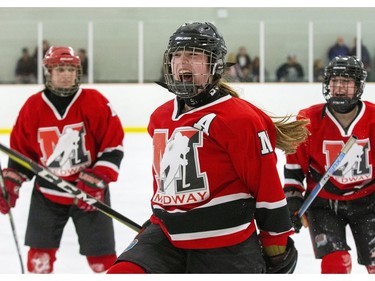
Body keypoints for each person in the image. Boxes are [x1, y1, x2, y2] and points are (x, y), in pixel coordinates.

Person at [107, 21, 309, 274]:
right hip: (167, 235)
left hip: (227, 242)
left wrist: (276, 244)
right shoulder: (160, 117)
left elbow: (266, 188)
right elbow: (164, 183)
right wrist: (163, 217)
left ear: (215, 65)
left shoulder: (239, 118)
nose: (182, 63)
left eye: (193, 55)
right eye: (177, 55)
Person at [0, 46, 124, 273]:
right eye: (60, 69)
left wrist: (98, 177)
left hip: (89, 193)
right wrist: (11, 181)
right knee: (39, 262)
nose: (66, 74)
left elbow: (113, 146)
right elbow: (22, 153)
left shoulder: (95, 102)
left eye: (70, 69)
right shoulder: (32, 107)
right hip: (47, 195)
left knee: (103, 263)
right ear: (49, 72)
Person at [283, 56, 375, 274]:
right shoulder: (307, 119)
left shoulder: (373, 118)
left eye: (346, 81)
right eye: (335, 81)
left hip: (368, 202)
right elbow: (295, 167)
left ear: (358, 86)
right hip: (324, 203)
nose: (339, 87)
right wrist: (293, 201)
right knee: (335, 263)